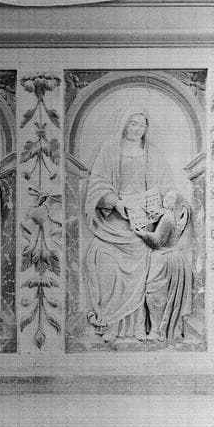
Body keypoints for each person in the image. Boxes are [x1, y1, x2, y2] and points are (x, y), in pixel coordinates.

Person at [83, 109, 175, 341]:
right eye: (133, 123)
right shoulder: (110, 151)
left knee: (140, 271)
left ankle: (137, 327)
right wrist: (115, 202)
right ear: (124, 124)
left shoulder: (153, 154)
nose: (136, 129)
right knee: (104, 262)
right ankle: (111, 323)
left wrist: (165, 200)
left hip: (142, 224)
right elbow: (98, 184)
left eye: (141, 125)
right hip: (114, 221)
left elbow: (167, 186)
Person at [134, 190, 192, 341]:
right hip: (170, 258)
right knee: (160, 295)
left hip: (164, 260)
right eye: (166, 196)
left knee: (154, 294)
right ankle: (160, 329)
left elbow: (158, 241)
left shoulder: (167, 218)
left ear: (177, 203)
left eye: (171, 197)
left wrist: (143, 234)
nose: (166, 199)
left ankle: (156, 330)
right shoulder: (171, 217)